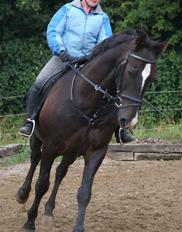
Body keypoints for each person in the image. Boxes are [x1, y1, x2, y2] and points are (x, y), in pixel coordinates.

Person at [19, 0, 135, 143]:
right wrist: (61, 51)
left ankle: (120, 129)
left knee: (111, 87)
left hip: (89, 61)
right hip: (63, 58)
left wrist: (92, 56)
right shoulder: (67, 9)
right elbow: (53, 30)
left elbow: (105, 43)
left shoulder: (102, 18)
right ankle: (29, 121)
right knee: (40, 82)